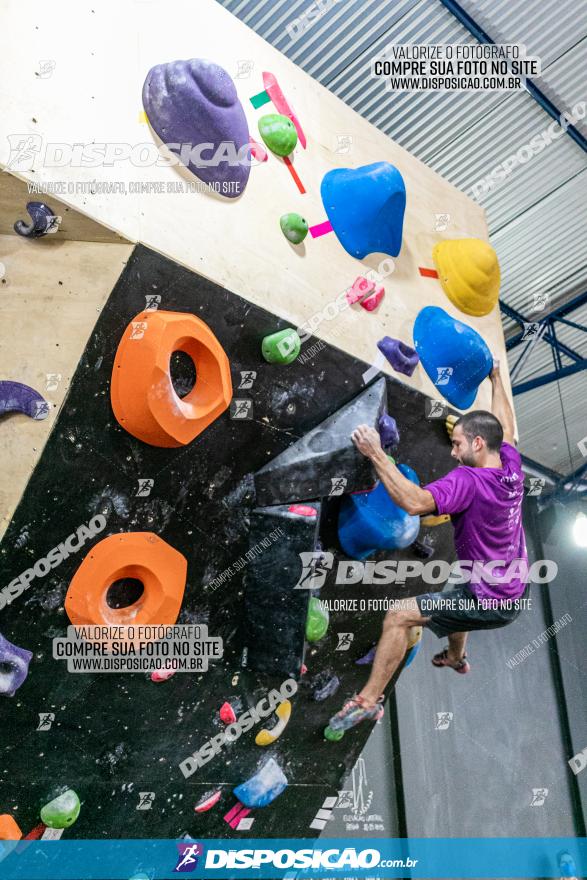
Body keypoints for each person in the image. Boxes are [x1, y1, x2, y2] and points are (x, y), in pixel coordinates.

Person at [328, 362, 528, 733]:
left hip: (489, 599)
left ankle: (368, 701)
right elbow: (507, 425)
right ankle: (456, 657)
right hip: (512, 584)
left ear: (478, 443)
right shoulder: (510, 464)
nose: (452, 452)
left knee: (399, 615)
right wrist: (498, 378)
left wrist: (375, 453)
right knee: (459, 592)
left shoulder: (468, 481)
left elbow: (416, 503)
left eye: (457, 444)